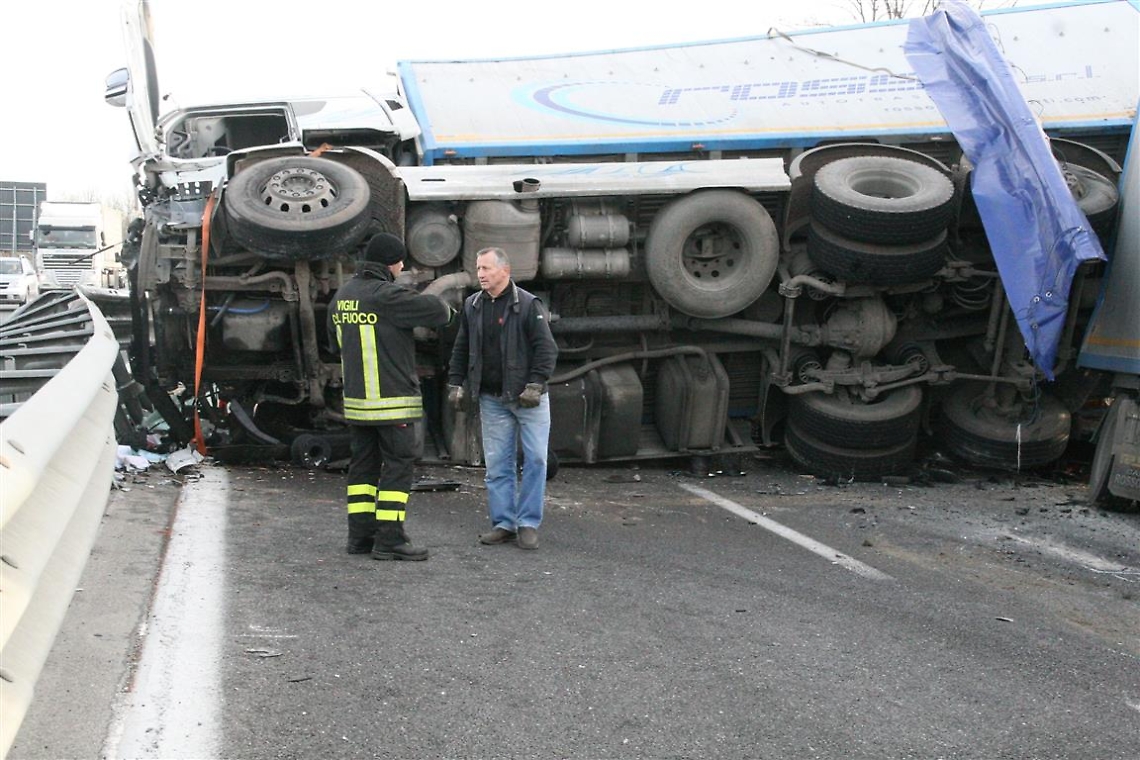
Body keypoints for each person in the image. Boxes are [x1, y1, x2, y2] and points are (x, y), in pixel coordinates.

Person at [328, 233, 454, 560]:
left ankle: (359, 538)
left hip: (357, 406)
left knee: (363, 473)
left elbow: (332, 345)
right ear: (390, 262)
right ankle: (390, 539)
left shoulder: (342, 297)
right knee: (397, 470)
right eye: (399, 262)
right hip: (391, 405)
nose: (401, 267)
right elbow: (439, 311)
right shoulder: (386, 296)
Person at [448, 247, 559, 550]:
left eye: (486, 268)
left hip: (527, 399)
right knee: (498, 464)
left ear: (505, 271)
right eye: (478, 268)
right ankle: (504, 523)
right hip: (492, 398)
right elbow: (461, 348)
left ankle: (528, 524)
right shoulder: (473, 306)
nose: (480, 274)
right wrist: (455, 384)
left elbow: (546, 349)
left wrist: (535, 385)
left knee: (536, 459)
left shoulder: (527, 305)